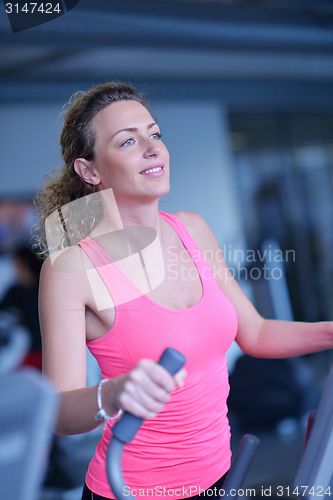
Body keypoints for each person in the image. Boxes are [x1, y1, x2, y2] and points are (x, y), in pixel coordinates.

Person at [33, 82, 333, 500]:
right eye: (128, 141)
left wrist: (330, 331)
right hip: (131, 489)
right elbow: (60, 413)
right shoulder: (71, 268)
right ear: (90, 171)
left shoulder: (191, 228)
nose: (153, 148)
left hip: (221, 474)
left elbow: (257, 333)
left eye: (154, 134)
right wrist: (116, 392)